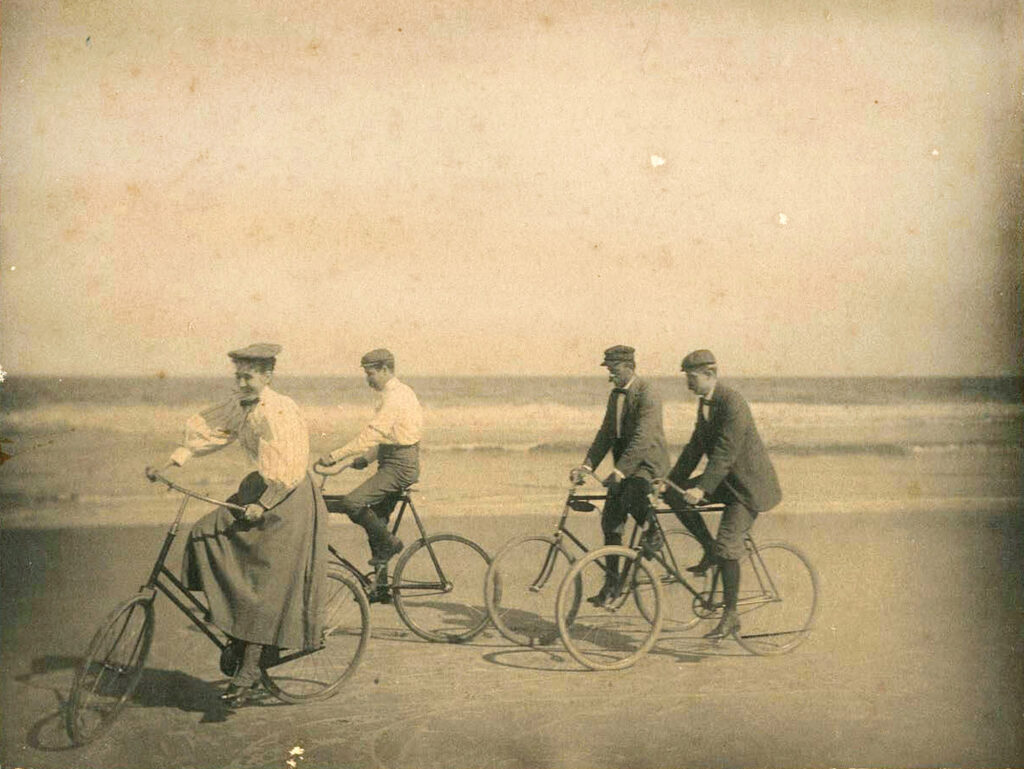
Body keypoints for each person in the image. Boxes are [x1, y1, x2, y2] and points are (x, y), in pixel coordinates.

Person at [147, 343, 327, 706]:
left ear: (267, 375)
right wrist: (169, 465)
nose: (242, 382)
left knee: (264, 581)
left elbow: (289, 468)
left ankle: (251, 665)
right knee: (203, 533)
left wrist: (264, 503)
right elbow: (209, 434)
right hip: (261, 486)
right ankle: (235, 627)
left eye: (249, 376)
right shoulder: (240, 404)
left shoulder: (279, 410)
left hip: (286, 497)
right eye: (239, 375)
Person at [663, 348, 782, 639]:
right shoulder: (706, 403)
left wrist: (702, 488)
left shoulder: (732, 402)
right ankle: (708, 549)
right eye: (687, 378)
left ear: (710, 375)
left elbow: (725, 453)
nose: (688, 384)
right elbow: (695, 448)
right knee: (673, 495)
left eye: (692, 377)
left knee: (728, 543)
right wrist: (670, 481)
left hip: (748, 488)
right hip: (726, 481)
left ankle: (731, 616)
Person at [318, 348, 422, 599]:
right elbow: (391, 437)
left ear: (386, 370)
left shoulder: (395, 397)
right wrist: (364, 460)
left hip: (400, 466)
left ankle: (390, 544)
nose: (368, 379)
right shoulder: (396, 393)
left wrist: (335, 455)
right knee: (376, 518)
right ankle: (382, 588)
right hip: (391, 460)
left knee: (352, 503)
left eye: (371, 373)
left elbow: (372, 434)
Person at [570, 345, 670, 605]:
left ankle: (654, 532)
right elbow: (605, 434)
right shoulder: (615, 396)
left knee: (631, 492)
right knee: (611, 523)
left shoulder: (648, 393)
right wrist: (587, 467)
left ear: (629, 366)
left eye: (614, 370)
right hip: (625, 469)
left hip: (648, 467)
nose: (610, 375)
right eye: (609, 370)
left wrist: (619, 471)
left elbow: (642, 438)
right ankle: (612, 585)